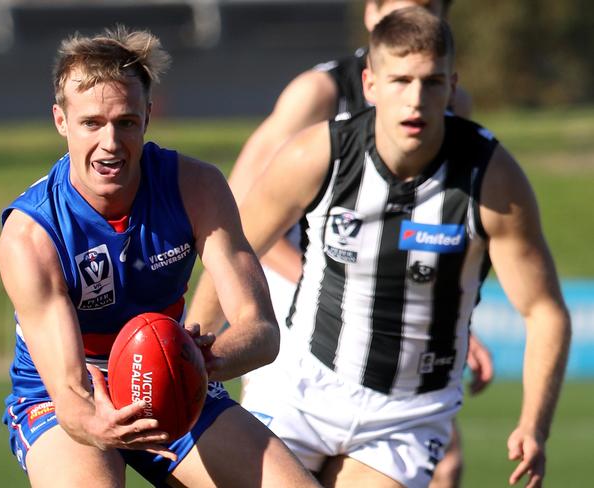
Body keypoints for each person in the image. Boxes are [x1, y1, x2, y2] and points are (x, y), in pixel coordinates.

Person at [187, 7, 571, 488]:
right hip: (300, 390)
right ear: (370, 84)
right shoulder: (317, 153)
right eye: (400, 81)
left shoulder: (492, 179)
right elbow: (235, 246)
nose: (416, 100)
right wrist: (192, 343)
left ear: (453, 87)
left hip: (405, 418)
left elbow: (544, 310)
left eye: (432, 83)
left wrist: (534, 425)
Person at [0, 25, 321, 488]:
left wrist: (204, 359)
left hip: (174, 377)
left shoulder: (196, 188)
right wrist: (97, 424)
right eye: (91, 122)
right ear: (61, 120)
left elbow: (261, 329)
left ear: (147, 117)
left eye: (125, 122)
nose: (110, 142)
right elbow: (70, 397)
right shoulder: (30, 234)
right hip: (65, 394)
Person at [223, 1, 490, 487]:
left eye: (431, 7)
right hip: (291, 287)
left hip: (383, 297)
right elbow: (238, 213)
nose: (418, 14)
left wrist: (442, 318)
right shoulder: (319, 93)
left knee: (446, 462)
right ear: (372, 14)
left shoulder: (454, 105)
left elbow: (428, 235)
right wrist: (336, 286)